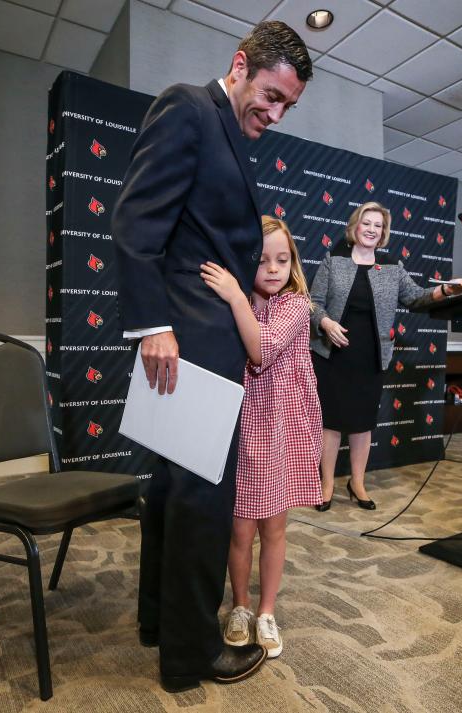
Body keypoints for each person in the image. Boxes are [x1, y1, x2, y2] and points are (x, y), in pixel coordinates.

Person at [111, 22, 312, 693]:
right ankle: (192, 655)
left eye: (288, 105)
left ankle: (159, 624)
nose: (276, 113)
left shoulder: (224, 128)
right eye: (271, 95)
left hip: (196, 341)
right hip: (185, 342)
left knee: (171, 495)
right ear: (240, 65)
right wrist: (152, 326)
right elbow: (137, 221)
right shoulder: (188, 107)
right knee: (200, 502)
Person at [199, 216, 322, 660]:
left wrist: (234, 294)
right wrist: (236, 296)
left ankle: (267, 610)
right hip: (243, 423)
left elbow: (262, 350)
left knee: (274, 526)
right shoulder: (242, 300)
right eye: (264, 259)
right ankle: (242, 607)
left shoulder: (294, 304)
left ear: (293, 263)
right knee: (240, 527)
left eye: (283, 259)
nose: (273, 269)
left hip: (281, 426)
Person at [309, 202, 462, 511]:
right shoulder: (334, 260)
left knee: (362, 423)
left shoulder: (392, 266)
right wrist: (326, 323)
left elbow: (416, 297)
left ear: (383, 232)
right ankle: (326, 483)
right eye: (366, 223)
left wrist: (448, 290)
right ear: (355, 227)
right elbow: (313, 302)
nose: (372, 229)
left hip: (370, 356)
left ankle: (357, 483)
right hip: (332, 355)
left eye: (378, 225)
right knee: (329, 423)